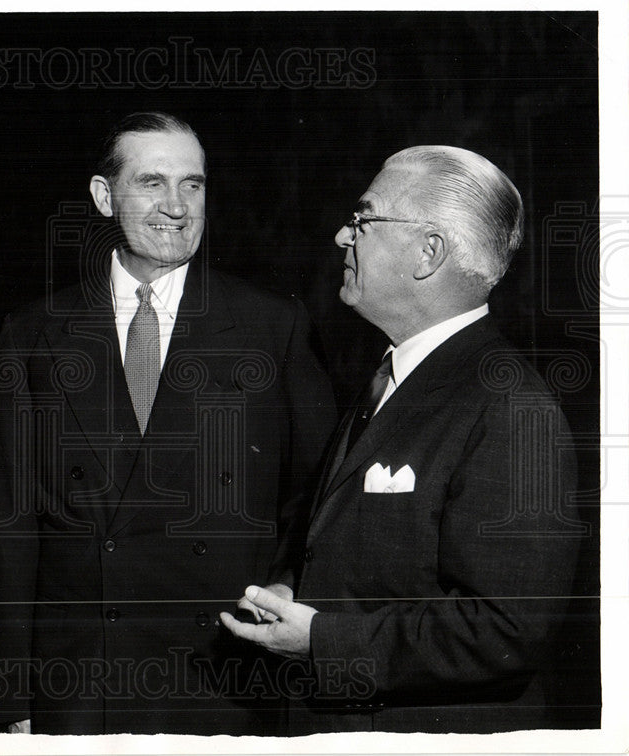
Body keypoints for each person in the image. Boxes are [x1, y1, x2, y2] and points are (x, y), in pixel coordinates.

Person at [0, 112, 336, 735]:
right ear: (103, 196)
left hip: (223, 678)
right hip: (83, 688)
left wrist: (286, 597)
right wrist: (14, 702)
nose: (176, 206)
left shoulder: (271, 328)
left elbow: (316, 508)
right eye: (152, 183)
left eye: (193, 185)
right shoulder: (34, 334)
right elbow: (12, 535)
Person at [221, 145, 583, 733]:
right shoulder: (391, 378)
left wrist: (321, 640)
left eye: (363, 220)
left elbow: (506, 632)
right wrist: (291, 586)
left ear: (428, 251)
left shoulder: (512, 407)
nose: (343, 236)